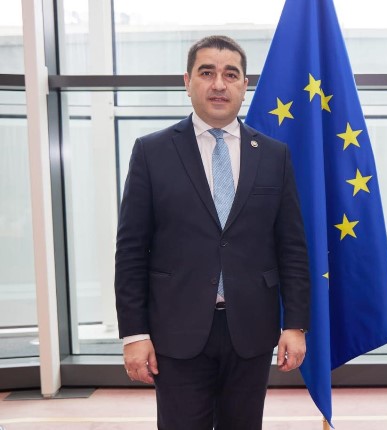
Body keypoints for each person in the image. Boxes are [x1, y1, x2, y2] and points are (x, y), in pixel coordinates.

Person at [114, 35, 311, 430]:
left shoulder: (274, 156)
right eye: (207, 73)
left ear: (244, 85)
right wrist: (134, 333)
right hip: (176, 331)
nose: (219, 84)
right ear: (187, 82)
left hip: (251, 331)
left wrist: (295, 324)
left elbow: (291, 247)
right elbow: (131, 251)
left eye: (230, 74)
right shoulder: (151, 152)